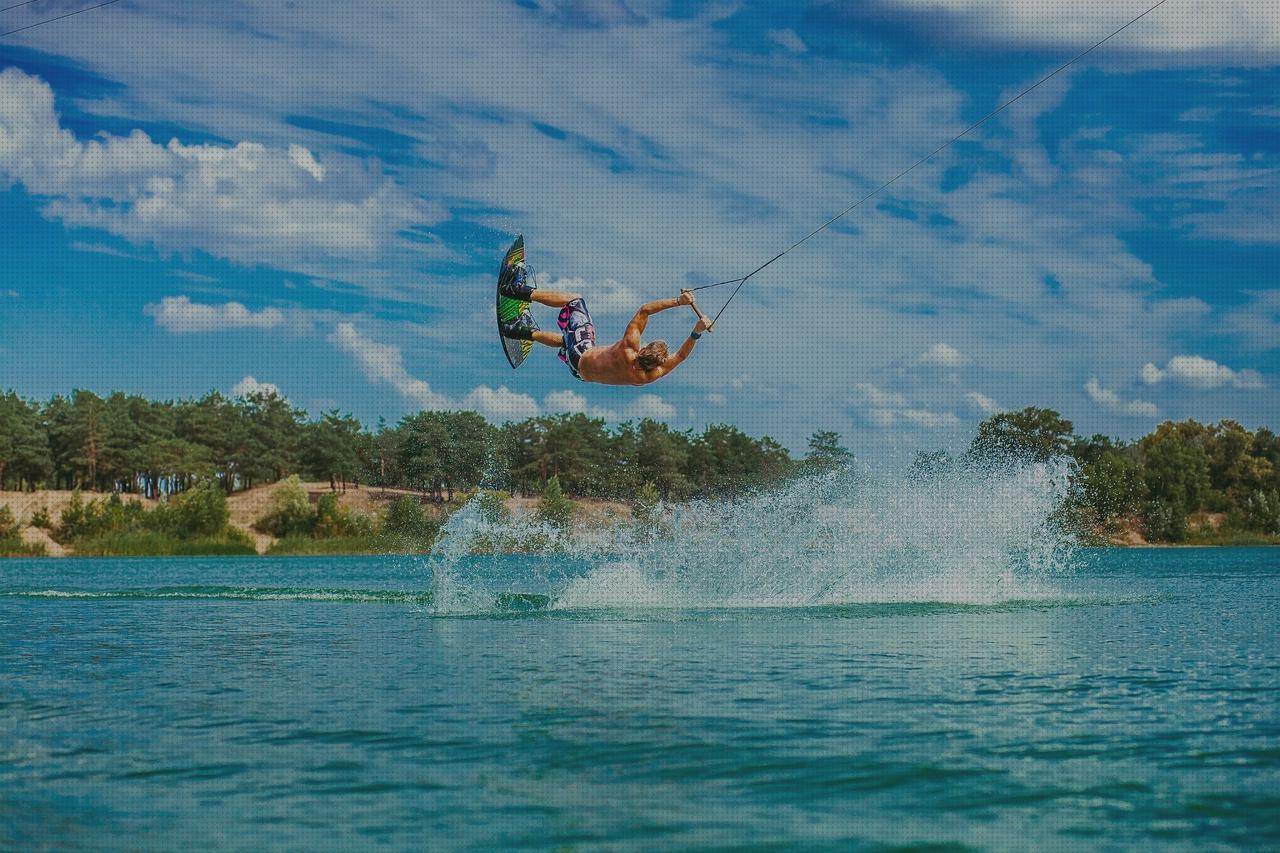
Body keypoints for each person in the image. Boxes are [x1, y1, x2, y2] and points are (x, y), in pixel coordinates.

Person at [500, 263, 710, 385]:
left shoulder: (628, 349)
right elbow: (681, 356)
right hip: (580, 374)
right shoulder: (648, 377)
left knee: (574, 301)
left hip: (580, 355)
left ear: (643, 349)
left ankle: (514, 289)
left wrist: (678, 302)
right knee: (569, 340)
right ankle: (518, 331)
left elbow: (645, 310)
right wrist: (696, 332)